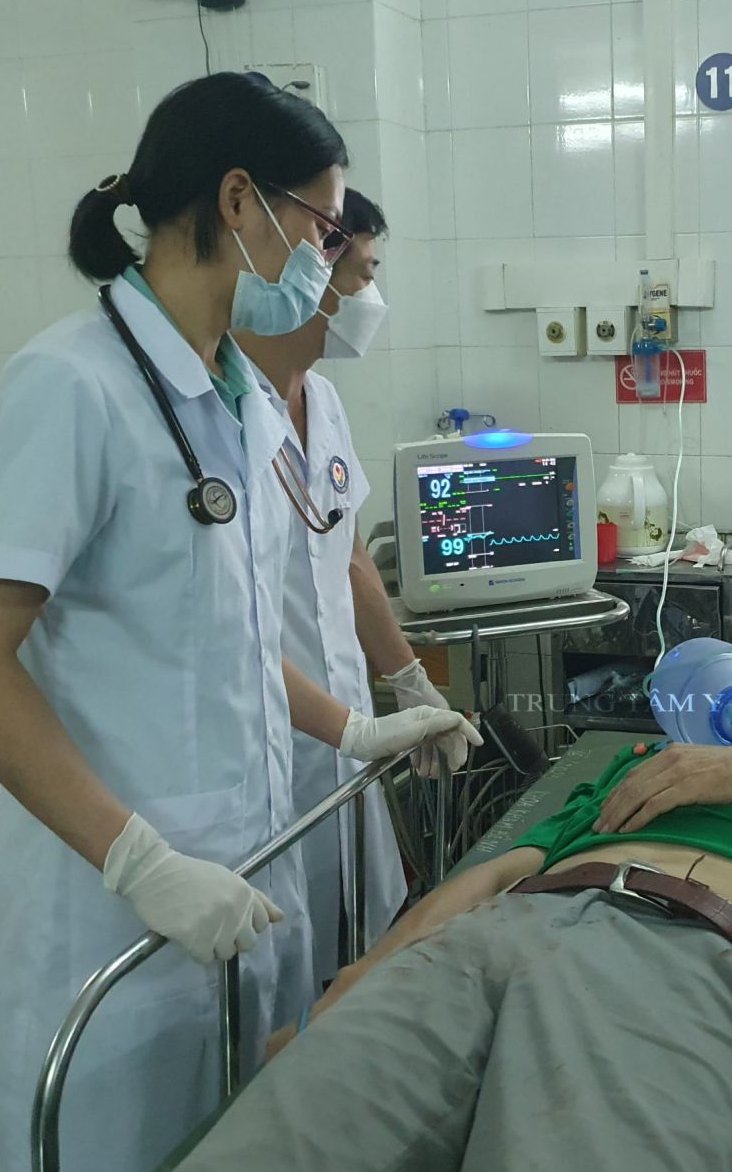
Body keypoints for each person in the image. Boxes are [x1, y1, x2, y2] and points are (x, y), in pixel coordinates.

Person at [0, 73, 478, 1172]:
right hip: (111, 904)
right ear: (239, 202)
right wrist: (136, 859)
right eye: (323, 227)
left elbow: (228, 637)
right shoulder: (69, 385)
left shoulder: (243, 398)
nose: (327, 260)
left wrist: (353, 728)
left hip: (241, 879)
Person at [173, 740, 732, 1172]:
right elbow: (491, 878)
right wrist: (335, 1005)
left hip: (680, 963)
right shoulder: (642, 765)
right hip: (496, 933)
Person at [236, 189, 464, 989]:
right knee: (282, 968)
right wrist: (356, 727)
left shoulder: (323, 401)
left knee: (359, 948)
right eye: (363, 271)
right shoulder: (225, 411)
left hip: (345, 734)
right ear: (312, 265)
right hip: (268, 735)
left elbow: (351, 553)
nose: (372, 295)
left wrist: (408, 679)